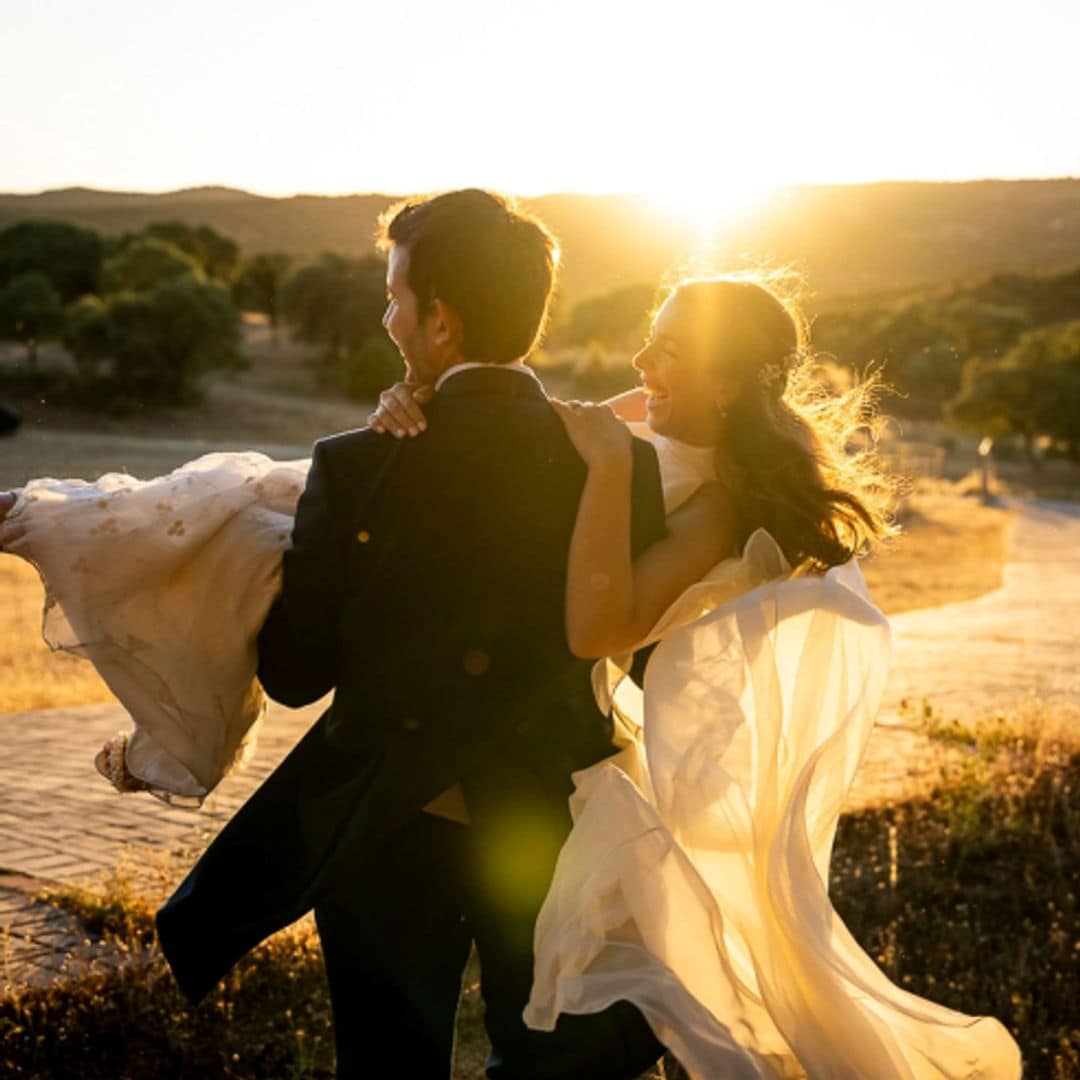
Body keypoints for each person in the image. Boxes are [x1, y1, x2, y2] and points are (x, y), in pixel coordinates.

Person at [0, 188, 668, 1079]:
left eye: (395, 297)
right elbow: (651, 650)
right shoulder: (621, 462)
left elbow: (294, 675)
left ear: (441, 321)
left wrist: (248, 570)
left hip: (388, 828)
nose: (386, 317)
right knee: (564, 1063)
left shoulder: (358, 465)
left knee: (389, 1063)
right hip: (561, 820)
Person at [364, 276, 1024, 1078]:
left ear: (727, 383)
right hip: (550, 762)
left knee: (595, 1029)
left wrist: (608, 471)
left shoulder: (721, 507)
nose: (641, 360)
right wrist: (415, 398)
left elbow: (597, 631)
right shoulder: (647, 413)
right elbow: (517, 433)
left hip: (645, 791)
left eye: (668, 349)